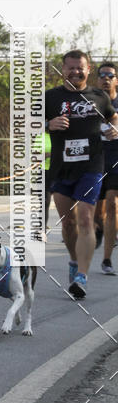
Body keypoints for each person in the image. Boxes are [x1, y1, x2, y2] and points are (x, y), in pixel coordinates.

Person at [45, 50, 118, 299]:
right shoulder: (50, 98)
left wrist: (114, 130)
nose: (75, 72)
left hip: (91, 167)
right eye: (70, 68)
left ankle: (81, 277)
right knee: (68, 223)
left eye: (80, 68)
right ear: (62, 69)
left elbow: (114, 117)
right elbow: (24, 124)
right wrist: (48, 125)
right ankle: (75, 261)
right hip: (61, 168)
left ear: (89, 70)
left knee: (86, 219)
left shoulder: (99, 96)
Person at [94, 62, 118, 274]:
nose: (106, 78)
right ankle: (100, 229)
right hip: (95, 161)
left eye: (110, 75)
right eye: (102, 75)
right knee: (96, 214)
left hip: (116, 161)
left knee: (113, 204)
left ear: (116, 80)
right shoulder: (90, 101)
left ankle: (107, 259)